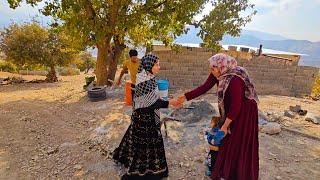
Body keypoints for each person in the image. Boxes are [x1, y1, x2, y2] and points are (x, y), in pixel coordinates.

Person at [176, 53, 259, 180]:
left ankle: (238, 173)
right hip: (234, 110)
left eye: (213, 68)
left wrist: (225, 125)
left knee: (237, 141)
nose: (211, 71)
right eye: (211, 68)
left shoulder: (235, 80)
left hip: (244, 113)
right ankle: (225, 169)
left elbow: (236, 106)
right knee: (227, 140)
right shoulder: (220, 73)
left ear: (222, 67)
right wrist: (184, 97)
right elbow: (204, 88)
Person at [113, 54, 179, 180]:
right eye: (157, 64)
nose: (159, 67)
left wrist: (168, 100)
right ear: (149, 65)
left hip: (146, 115)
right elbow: (150, 104)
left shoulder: (150, 77)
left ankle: (126, 158)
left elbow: (153, 98)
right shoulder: (144, 80)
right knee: (144, 143)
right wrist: (170, 103)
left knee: (136, 139)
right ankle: (143, 171)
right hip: (143, 118)